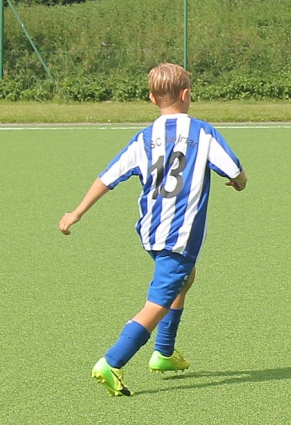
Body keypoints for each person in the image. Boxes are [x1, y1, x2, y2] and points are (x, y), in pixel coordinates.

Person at [59, 63, 247, 396]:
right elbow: (234, 170)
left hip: (151, 230)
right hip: (179, 236)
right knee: (156, 303)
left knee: (184, 279)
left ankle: (164, 352)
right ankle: (112, 361)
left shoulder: (144, 138)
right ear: (186, 95)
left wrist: (77, 212)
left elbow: (107, 177)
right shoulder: (202, 133)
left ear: (151, 99)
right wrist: (240, 182)